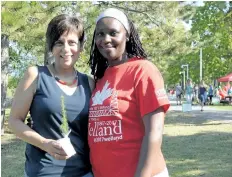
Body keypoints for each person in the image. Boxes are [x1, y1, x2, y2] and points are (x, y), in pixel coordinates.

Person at [8, 14, 94, 177]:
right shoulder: (35, 75)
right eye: (59, 42)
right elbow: (14, 121)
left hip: (83, 173)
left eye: (72, 42)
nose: (66, 49)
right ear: (51, 46)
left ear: (81, 46)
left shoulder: (89, 83)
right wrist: (45, 144)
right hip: (43, 172)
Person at [88, 8, 170, 177]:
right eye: (100, 34)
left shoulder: (143, 70)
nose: (105, 39)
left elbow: (154, 132)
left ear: (127, 35)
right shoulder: (100, 78)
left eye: (113, 33)